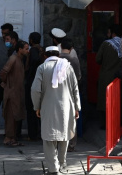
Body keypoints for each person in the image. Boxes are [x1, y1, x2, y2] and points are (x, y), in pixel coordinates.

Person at [31, 46, 81, 174]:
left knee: (49, 138)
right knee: (64, 136)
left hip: (47, 107)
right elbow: (75, 88)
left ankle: (53, 168)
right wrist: (77, 107)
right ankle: (62, 164)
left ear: (45, 56)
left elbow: (36, 89)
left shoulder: (42, 68)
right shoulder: (67, 67)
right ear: (58, 55)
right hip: (66, 107)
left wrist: (37, 106)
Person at [0, 40, 29, 147]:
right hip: (12, 93)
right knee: (11, 116)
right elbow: (4, 72)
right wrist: (5, 83)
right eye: (26, 49)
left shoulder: (20, 59)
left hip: (18, 92)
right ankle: (8, 138)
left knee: (16, 115)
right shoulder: (13, 58)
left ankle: (13, 138)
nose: (27, 51)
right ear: (20, 49)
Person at [96, 24, 122, 128]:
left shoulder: (106, 44)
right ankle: (118, 123)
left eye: (108, 32)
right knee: (118, 99)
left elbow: (98, 59)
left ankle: (105, 124)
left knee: (105, 100)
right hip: (121, 76)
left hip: (106, 76)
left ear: (113, 33)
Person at [59, 37, 81, 152]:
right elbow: (78, 77)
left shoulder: (56, 59)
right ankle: (71, 144)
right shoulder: (74, 59)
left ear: (61, 47)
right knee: (72, 119)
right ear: (71, 48)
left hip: (57, 92)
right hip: (71, 92)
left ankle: (59, 142)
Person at [25, 32, 45, 141]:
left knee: (31, 109)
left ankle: (32, 134)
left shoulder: (33, 50)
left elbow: (35, 60)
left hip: (32, 82)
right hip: (41, 83)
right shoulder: (42, 49)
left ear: (32, 40)